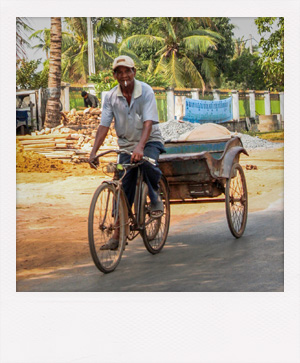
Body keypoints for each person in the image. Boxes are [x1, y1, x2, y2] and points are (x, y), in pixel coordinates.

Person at [89, 55, 165, 250]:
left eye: (127, 71)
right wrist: (93, 152)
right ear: (114, 75)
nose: (124, 75)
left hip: (150, 141)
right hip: (126, 146)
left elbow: (149, 123)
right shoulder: (111, 97)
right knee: (122, 185)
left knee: (147, 162)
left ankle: (155, 196)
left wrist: (140, 147)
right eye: (119, 72)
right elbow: (104, 125)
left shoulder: (145, 91)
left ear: (134, 72)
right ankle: (117, 234)